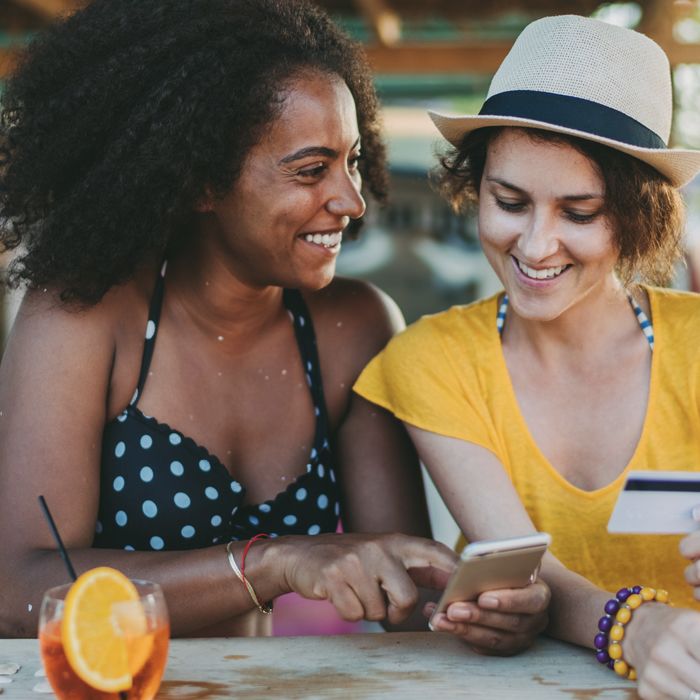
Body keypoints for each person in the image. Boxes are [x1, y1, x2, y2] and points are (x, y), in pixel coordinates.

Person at [0, 0, 550, 646]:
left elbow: (402, 602)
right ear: (200, 181)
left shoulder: (355, 326)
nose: (350, 199)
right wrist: (271, 560)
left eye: (350, 161)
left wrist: (482, 611)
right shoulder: (83, 314)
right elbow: (19, 588)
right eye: (311, 171)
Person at [355, 14, 700, 698]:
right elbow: (526, 571)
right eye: (510, 201)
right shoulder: (434, 359)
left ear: (637, 216)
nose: (537, 246)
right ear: (474, 190)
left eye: (579, 213)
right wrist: (635, 626)